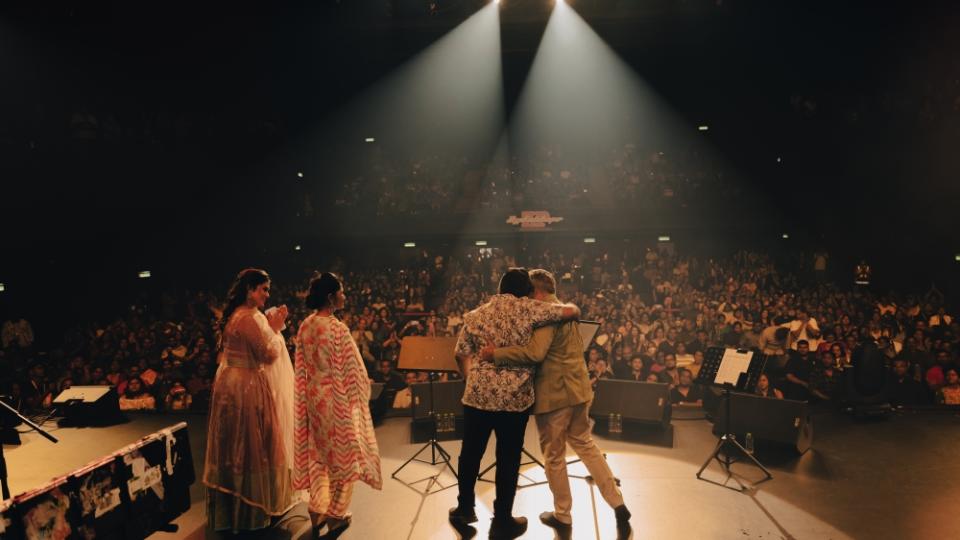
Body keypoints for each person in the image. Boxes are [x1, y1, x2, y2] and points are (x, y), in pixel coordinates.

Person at [481, 269, 631, 539]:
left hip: (556, 395)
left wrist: (496, 354)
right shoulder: (567, 311)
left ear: (536, 292)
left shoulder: (545, 314)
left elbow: (534, 353)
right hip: (579, 389)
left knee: (554, 455)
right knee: (585, 445)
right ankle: (618, 503)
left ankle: (563, 514)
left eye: (528, 293)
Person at [450, 268, 580, 539]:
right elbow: (571, 312)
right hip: (514, 399)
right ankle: (503, 519)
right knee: (508, 459)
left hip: (477, 397)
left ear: (500, 288)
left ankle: (464, 508)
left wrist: (469, 378)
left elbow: (460, 353)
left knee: (470, 454)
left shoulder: (476, 314)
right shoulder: (530, 309)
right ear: (527, 291)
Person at [203, 269, 296, 534]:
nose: (267, 294)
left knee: (234, 442)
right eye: (263, 289)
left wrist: (268, 326)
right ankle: (251, 507)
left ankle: (234, 505)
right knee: (253, 442)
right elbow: (267, 355)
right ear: (249, 290)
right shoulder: (249, 318)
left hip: (230, 382)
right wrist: (276, 330)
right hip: (247, 386)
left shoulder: (236, 315)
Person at [294, 272, 382, 539]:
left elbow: (300, 367)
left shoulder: (305, 325)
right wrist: (362, 392)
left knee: (320, 455)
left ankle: (316, 508)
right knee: (344, 457)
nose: (345, 295)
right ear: (332, 297)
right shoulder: (336, 328)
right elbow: (354, 369)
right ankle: (335, 515)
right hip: (334, 399)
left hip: (313, 399)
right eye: (341, 292)